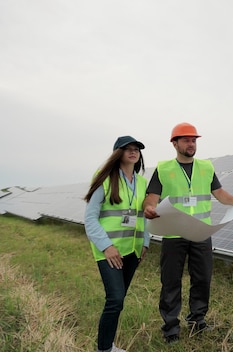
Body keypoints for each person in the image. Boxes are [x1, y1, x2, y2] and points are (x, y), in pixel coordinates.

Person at [142, 122, 233, 344]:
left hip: (200, 233)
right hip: (173, 234)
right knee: (171, 282)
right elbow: (152, 198)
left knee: (202, 279)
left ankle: (197, 321)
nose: (191, 143)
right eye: (187, 140)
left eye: (194, 140)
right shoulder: (164, 168)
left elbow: (219, 193)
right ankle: (171, 329)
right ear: (175, 143)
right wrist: (149, 208)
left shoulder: (206, 168)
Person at [84, 136, 150, 352]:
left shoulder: (141, 182)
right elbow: (91, 218)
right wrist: (106, 246)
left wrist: (145, 243)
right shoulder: (104, 178)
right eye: (127, 149)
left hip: (133, 249)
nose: (133, 152)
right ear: (117, 153)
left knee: (118, 301)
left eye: (136, 149)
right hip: (109, 250)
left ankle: (108, 345)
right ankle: (104, 348)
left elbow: (143, 216)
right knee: (115, 299)